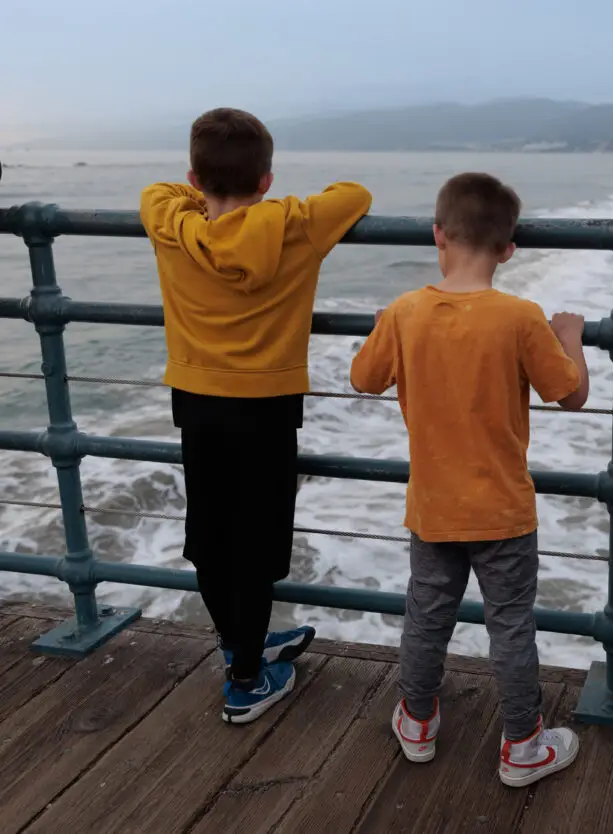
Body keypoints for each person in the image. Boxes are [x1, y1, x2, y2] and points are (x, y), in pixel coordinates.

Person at [350, 172, 589, 787]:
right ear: (509, 250)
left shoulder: (404, 313)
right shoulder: (520, 316)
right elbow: (571, 394)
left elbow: (362, 379)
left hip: (433, 508)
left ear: (438, 235)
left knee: (427, 616)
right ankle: (522, 746)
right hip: (504, 510)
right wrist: (571, 339)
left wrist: (386, 328)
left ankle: (418, 721)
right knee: (510, 625)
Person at [140, 107, 372, 724]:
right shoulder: (294, 225)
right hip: (267, 406)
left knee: (212, 534)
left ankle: (241, 643)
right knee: (260, 536)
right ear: (267, 179)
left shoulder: (171, 223)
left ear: (196, 174)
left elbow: (158, 192)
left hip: (195, 398)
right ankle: (247, 679)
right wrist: (279, 208)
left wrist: (200, 193)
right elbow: (355, 193)